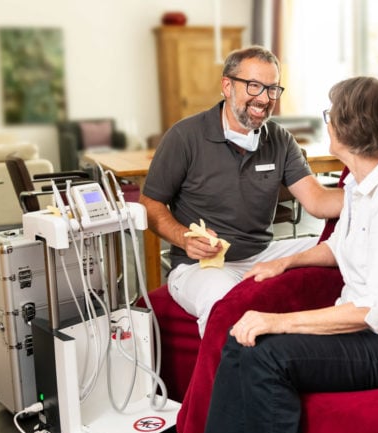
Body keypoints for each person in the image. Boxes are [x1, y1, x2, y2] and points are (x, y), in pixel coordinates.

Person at [199, 76, 378, 433]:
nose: (328, 122)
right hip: (372, 326)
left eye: (332, 115)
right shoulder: (360, 182)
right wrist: (285, 261)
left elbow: (371, 311)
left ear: (355, 126)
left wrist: (277, 321)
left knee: (268, 354)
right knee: (241, 340)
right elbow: (341, 246)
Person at [139, 46, 343, 336]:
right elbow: (149, 204)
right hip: (201, 266)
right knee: (225, 299)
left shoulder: (280, 140)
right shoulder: (185, 136)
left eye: (272, 89)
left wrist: (374, 192)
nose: (264, 98)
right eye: (254, 86)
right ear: (227, 86)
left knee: (339, 249)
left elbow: (318, 200)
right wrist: (183, 238)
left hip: (262, 255)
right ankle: (228, 377)